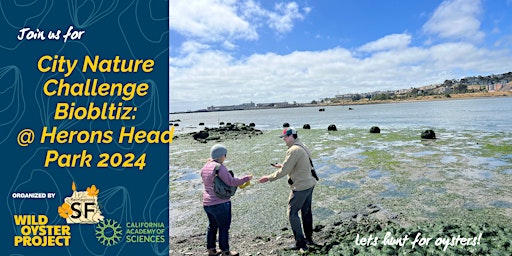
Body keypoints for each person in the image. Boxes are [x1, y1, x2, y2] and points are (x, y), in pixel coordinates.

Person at [259, 127, 317, 252]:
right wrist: (282, 166)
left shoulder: (293, 150)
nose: (284, 139)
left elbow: (284, 171)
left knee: (292, 213)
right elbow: (300, 164)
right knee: (306, 211)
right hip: (310, 183)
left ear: (291, 136)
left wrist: (268, 178)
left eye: (285, 137)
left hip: (300, 187)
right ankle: (309, 238)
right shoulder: (302, 146)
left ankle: (301, 243)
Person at [201, 144, 252, 256]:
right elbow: (231, 182)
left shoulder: (205, 167)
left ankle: (211, 250)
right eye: (225, 154)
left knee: (212, 226)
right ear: (221, 155)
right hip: (220, 203)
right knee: (224, 227)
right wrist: (246, 178)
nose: (225, 156)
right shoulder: (219, 167)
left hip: (207, 203)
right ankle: (225, 252)